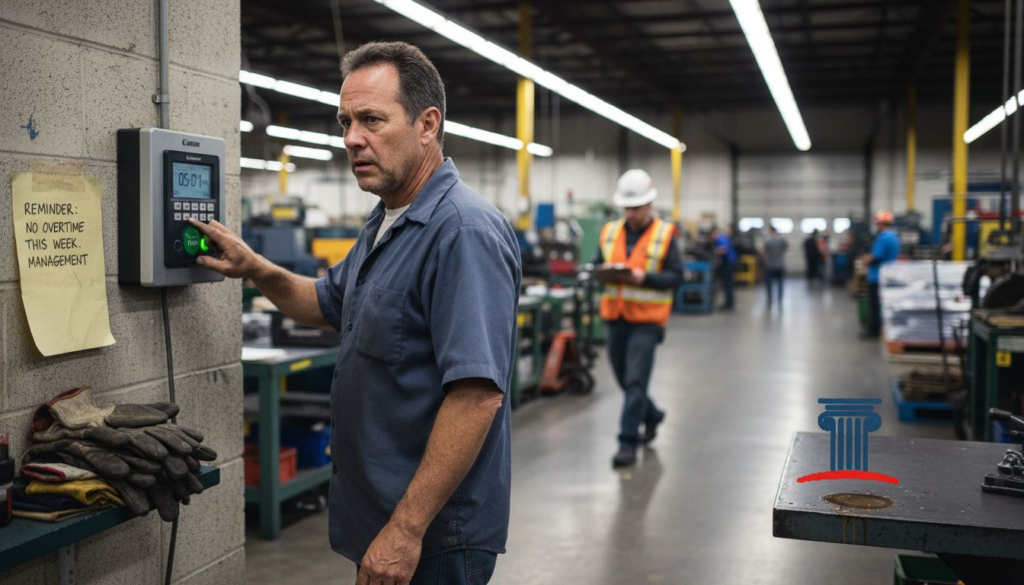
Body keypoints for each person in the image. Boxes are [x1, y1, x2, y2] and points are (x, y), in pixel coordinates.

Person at [189, 42, 520, 585]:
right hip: (379, 511)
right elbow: (326, 302)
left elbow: (477, 395)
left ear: (427, 124)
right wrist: (256, 268)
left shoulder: (462, 231)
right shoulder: (386, 220)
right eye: (345, 121)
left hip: (434, 537)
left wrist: (405, 531)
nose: (351, 139)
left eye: (371, 120)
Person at [594, 169, 684, 468]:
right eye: (627, 207)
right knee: (624, 379)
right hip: (615, 317)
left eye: (637, 207)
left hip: (647, 321)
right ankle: (653, 414)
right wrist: (600, 272)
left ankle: (627, 443)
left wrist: (644, 278)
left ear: (649, 204)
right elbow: (596, 266)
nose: (631, 213)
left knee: (635, 381)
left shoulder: (665, 234)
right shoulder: (609, 232)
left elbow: (676, 275)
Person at [862, 210, 901, 338]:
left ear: (881, 224)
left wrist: (866, 259)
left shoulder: (884, 238)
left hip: (878, 276)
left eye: (878, 224)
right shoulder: (894, 236)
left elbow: (876, 257)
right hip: (888, 275)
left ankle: (873, 330)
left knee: (875, 305)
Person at [710, 226, 737, 310]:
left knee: (728, 284)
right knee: (727, 284)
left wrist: (714, 252)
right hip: (728, 263)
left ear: (714, 234)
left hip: (729, 264)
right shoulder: (722, 238)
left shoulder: (720, 239)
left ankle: (729, 304)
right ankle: (728, 303)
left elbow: (724, 250)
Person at [762, 226, 788, 306]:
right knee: (780, 283)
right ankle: (780, 299)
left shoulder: (768, 240)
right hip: (780, 265)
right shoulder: (782, 239)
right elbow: (785, 247)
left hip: (770, 265)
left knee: (769, 284)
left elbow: (764, 251)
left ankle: (770, 299)